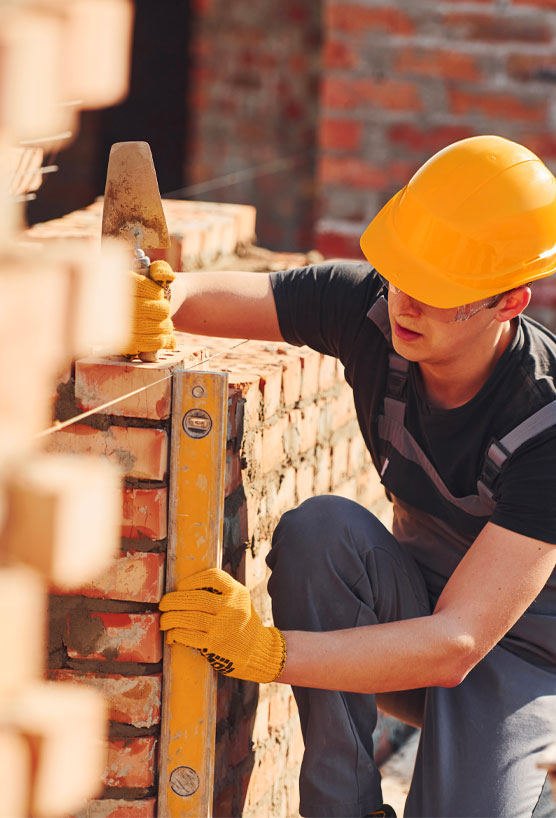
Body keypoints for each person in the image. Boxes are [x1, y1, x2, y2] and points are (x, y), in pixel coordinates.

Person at [157, 135, 556, 818]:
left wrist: (266, 651)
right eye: (404, 274)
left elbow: (457, 645)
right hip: (413, 615)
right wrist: (155, 296)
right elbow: (205, 300)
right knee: (324, 533)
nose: (406, 304)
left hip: (522, 660)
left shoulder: (545, 425)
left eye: (439, 292)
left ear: (508, 304)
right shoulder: (373, 311)